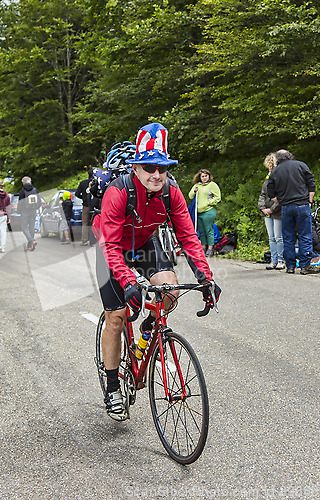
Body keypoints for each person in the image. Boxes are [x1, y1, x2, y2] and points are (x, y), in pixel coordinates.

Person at [92, 123, 220, 421]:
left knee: (170, 291)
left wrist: (206, 278)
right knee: (116, 317)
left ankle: (149, 330)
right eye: (149, 167)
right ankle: (113, 388)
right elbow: (110, 246)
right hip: (110, 248)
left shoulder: (171, 192)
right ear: (136, 167)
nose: (156, 174)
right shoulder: (118, 191)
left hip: (145, 242)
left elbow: (188, 237)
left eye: (162, 167)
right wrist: (128, 283)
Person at [267, 149, 319, 275]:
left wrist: (281, 202)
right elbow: (311, 184)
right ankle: (305, 265)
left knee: (288, 237)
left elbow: (270, 193)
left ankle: (290, 266)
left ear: (277, 159)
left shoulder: (275, 172)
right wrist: (310, 201)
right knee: (304, 235)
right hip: (302, 205)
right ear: (290, 156)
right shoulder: (301, 165)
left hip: (286, 207)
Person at [258, 153, 285, 270]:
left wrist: (272, 209)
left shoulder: (280, 177)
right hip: (266, 212)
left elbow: (280, 196)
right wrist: (262, 207)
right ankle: (273, 260)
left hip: (277, 212)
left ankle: (281, 260)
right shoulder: (267, 177)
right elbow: (263, 194)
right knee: (271, 237)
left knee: (279, 237)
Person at [188, 169, 221, 257]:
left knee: (208, 230)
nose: (204, 178)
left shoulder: (212, 185)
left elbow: (218, 197)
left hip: (208, 211)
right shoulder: (197, 185)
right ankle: (203, 248)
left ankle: (210, 249)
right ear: (200, 177)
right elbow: (190, 196)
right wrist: (194, 191)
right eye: (203, 176)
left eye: (206, 176)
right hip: (198, 212)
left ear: (209, 176)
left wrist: (209, 203)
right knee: (201, 231)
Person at [18, 176, 42, 251]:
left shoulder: (22, 191)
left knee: (24, 228)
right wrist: (35, 208)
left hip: (25, 212)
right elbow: (39, 202)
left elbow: (20, 203)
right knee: (32, 228)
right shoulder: (35, 190)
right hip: (33, 212)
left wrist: (19, 211)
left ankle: (32, 241)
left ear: (23, 183)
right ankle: (30, 246)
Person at [75, 169, 94, 246]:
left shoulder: (83, 183)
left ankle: (84, 239)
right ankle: (94, 239)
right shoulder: (96, 182)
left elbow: (77, 193)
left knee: (85, 223)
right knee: (94, 222)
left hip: (86, 205)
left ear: (88, 175)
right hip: (95, 205)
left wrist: (83, 197)